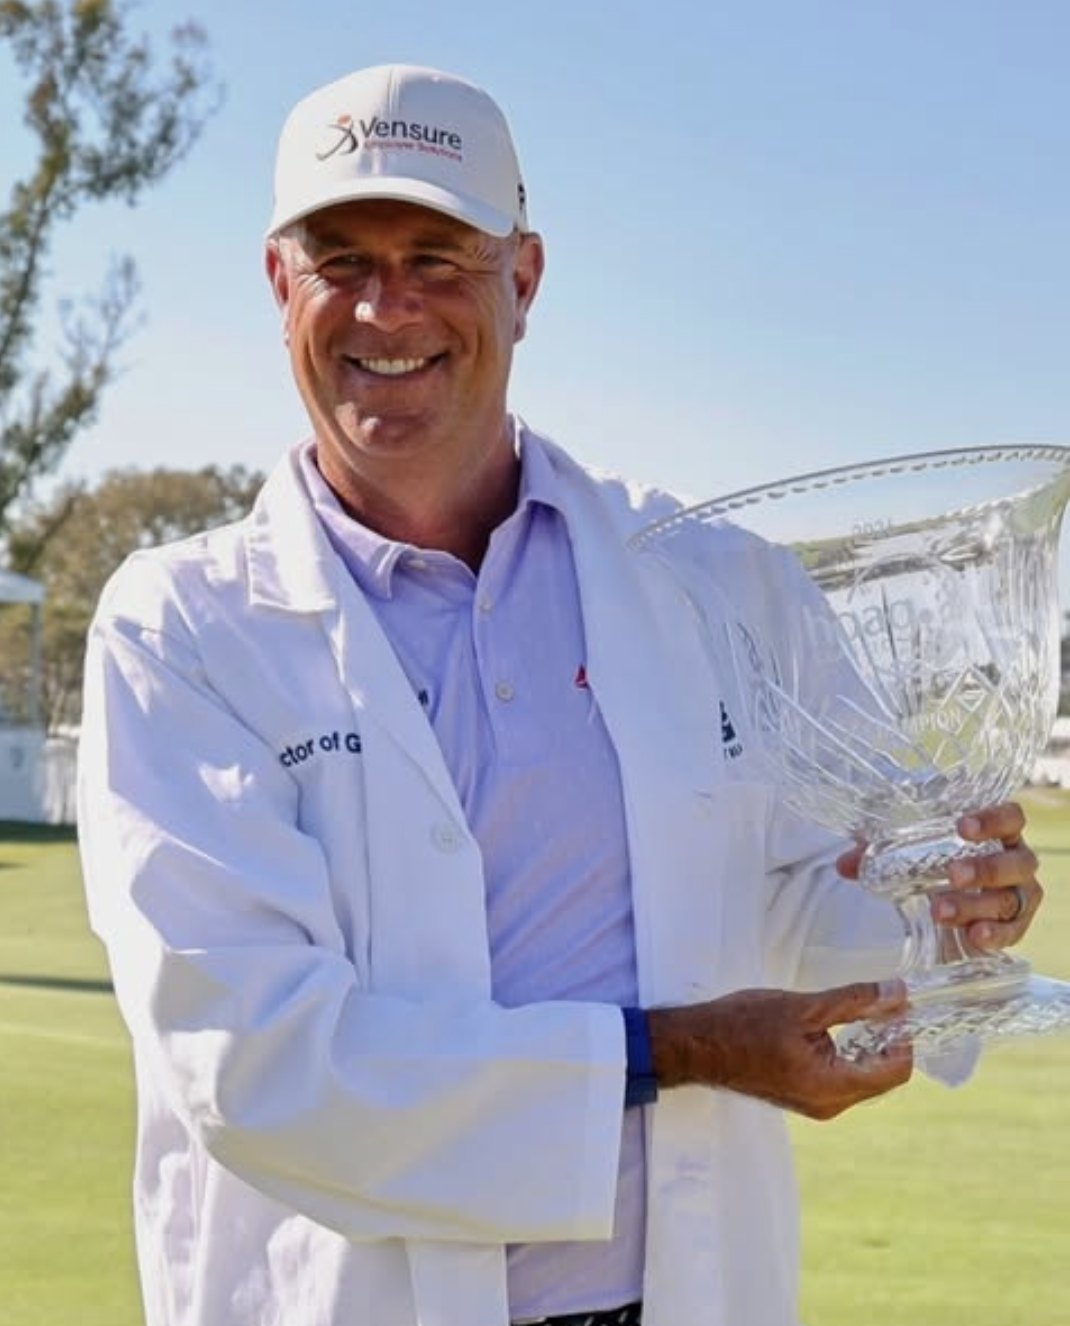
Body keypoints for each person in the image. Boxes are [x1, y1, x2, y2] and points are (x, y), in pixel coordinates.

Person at [77, 63, 1043, 1326]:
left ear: (522, 280)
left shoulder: (714, 580)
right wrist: (681, 1048)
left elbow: (814, 895)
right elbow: (259, 1065)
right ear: (279, 287)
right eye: (340, 260)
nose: (385, 306)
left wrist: (950, 915)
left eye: (437, 256)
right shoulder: (181, 627)